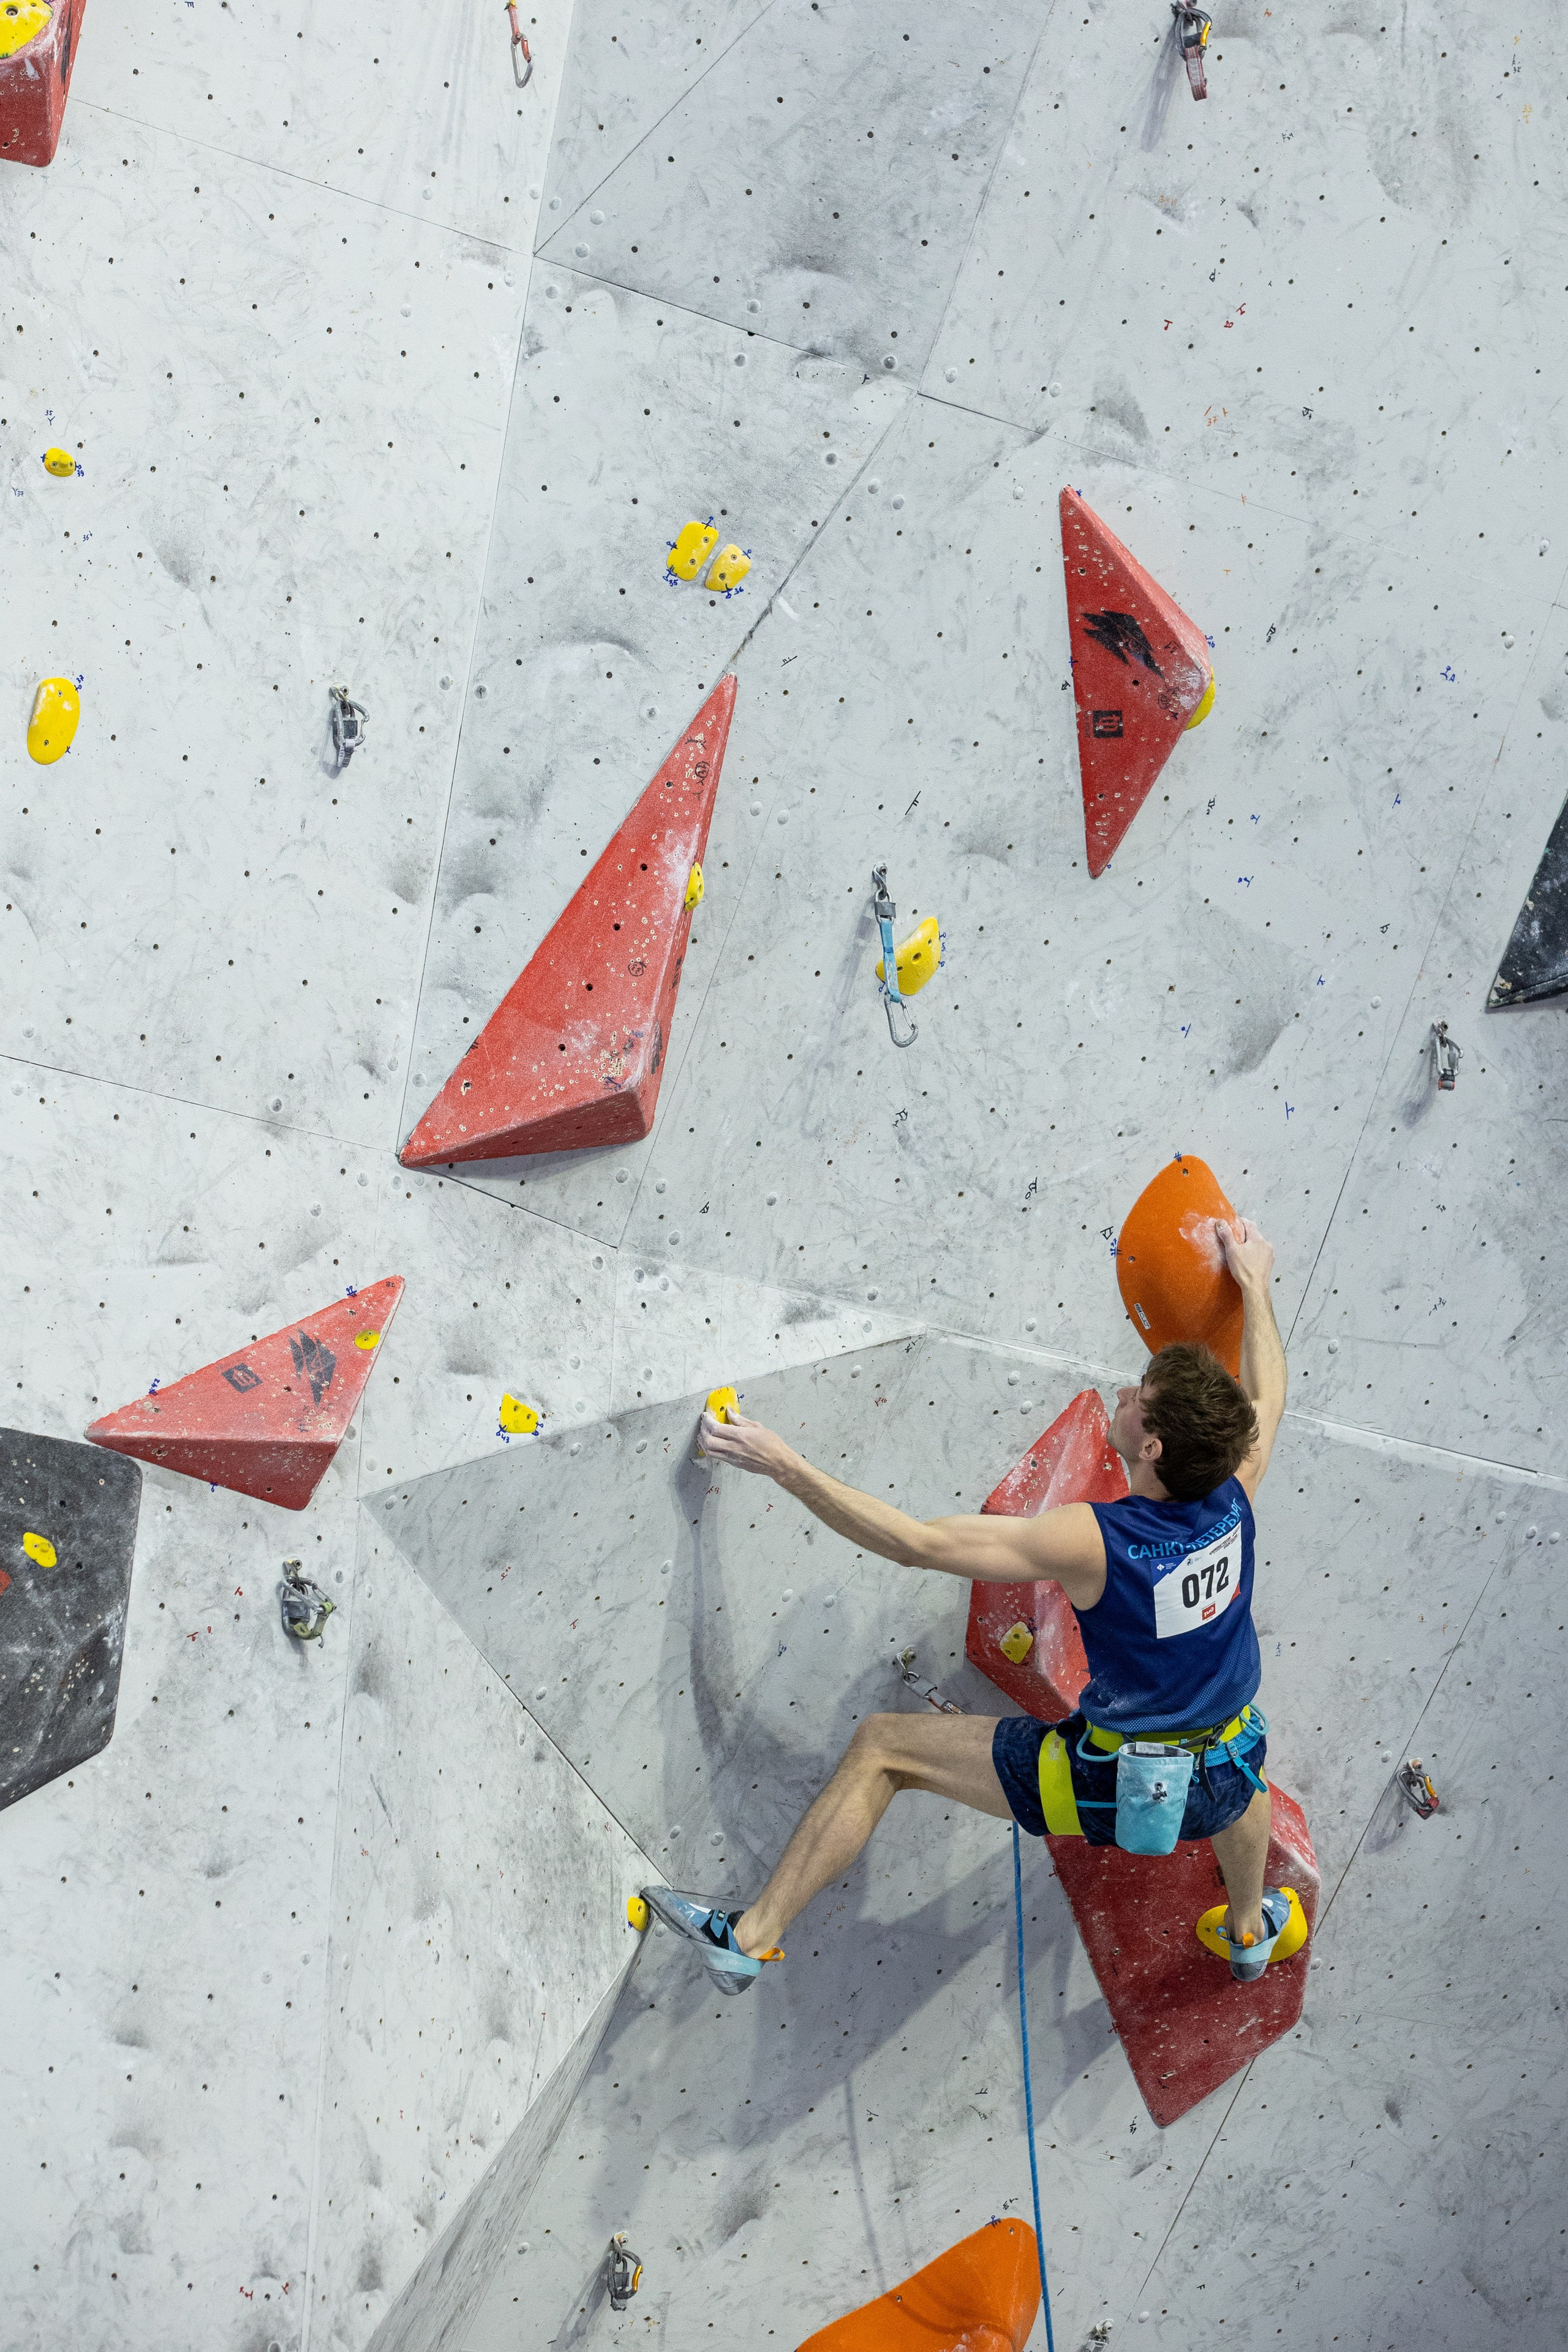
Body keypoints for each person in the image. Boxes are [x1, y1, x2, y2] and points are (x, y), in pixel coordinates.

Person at [644, 1219, 1290, 1994]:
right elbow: (1268, 1396)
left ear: (1151, 1448)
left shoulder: (1098, 1541)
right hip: (1225, 1758)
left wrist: (784, 1465)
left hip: (1116, 1778)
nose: (1123, 1394)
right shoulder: (1232, 1489)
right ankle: (1248, 1930)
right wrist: (1253, 1283)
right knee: (1237, 1782)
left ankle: (748, 1940)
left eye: (1137, 1401)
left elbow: (918, 1543)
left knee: (882, 1748)